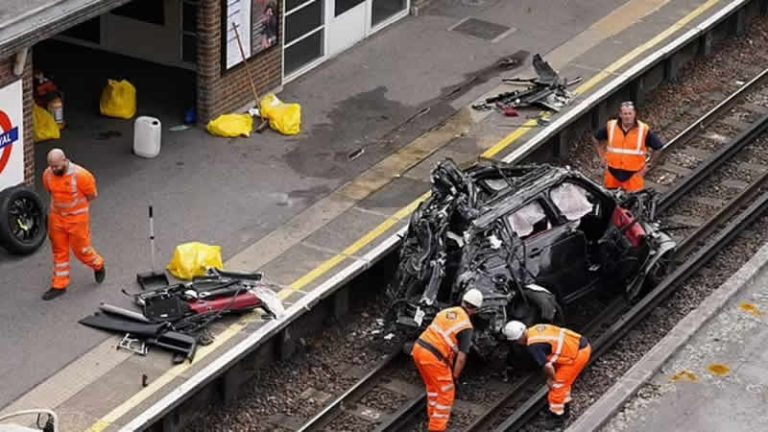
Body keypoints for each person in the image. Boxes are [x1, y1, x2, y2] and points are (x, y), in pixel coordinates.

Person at [410, 288, 483, 431]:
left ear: (463, 301)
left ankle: (433, 417)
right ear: (475, 310)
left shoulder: (446, 312)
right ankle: (436, 428)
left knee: (433, 387)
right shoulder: (466, 326)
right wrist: (454, 377)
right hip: (433, 356)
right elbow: (461, 358)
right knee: (446, 393)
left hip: (419, 349)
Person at [41, 149, 105, 300]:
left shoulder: (81, 175)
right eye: (51, 166)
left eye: (56, 166)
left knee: (81, 250)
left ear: (65, 160)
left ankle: (98, 264)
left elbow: (92, 195)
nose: (54, 169)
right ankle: (59, 284)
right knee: (59, 251)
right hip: (57, 218)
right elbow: (51, 192)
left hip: (77, 220)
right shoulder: (47, 174)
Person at [502, 321, 591, 427]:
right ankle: (565, 409)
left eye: (516, 342)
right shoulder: (536, 329)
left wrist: (551, 379)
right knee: (563, 384)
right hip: (576, 345)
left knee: (557, 386)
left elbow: (548, 366)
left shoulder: (533, 346)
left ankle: (557, 418)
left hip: (576, 355)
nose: (517, 344)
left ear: (518, 339)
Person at [592, 101, 664, 192]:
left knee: (633, 203)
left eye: (630, 113)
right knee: (611, 203)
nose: (627, 116)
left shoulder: (643, 129)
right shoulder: (611, 126)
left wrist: (648, 166)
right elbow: (596, 138)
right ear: (620, 115)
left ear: (634, 114)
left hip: (634, 176)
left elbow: (658, 147)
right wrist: (601, 155)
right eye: (625, 114)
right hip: (612, 175)